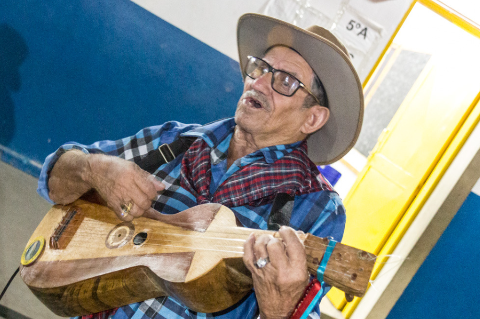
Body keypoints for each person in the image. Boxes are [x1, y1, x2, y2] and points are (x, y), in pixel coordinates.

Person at [37, 13, 363, 319]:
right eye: (260, 69)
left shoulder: (317, 206)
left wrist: (282, 306)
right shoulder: (177, 140)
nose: (260, 84)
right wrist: (95, 169)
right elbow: (53, 178)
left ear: (313, 117)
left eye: (286, 82)